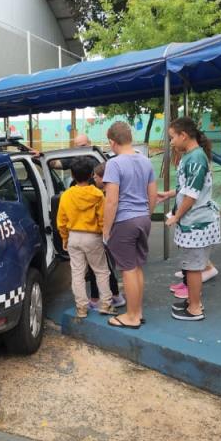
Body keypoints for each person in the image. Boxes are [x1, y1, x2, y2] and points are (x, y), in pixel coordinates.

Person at [157, 117, 221, 322]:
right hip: (193, 222)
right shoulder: (190, 156)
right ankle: (192, 302)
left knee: (194, 268)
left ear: (183, 135)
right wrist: (169, 194)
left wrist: (176, 216)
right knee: (191, 265)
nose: (171, 142)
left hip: (196, 223)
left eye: (172, 137)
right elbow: (187, 187)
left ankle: (195, 308)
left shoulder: (195, 159)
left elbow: (192, 195)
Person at [102, 121, 156, 329]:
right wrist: (146, 215)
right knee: (136, 266)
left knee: (127, 269)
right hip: (143, 218)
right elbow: (152, 194)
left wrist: (106, 230)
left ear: (112, 142)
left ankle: (131, 316)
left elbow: (111, 201)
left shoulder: (114, 164)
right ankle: (137, 311)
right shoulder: (146, 161)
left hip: (124, 221)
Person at [57, 159, 115, 319]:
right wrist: (106, 235)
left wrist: (64, 238)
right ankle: (106, 304)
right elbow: (103, 218)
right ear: (91, 174)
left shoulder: (66, 195)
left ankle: (81, 308)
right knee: (101, 271)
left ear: (72, 175)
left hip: (73, 237)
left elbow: (61, 221)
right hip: (93, 237)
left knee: (77, 273)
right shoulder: (97, 194)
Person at [86, 162, 125, 309]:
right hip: (114, 235)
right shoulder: (111, 192)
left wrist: (105, 233)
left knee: (99, 268)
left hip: (107, 235)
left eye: (96, 177)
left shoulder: (105, 195)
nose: (94, 180)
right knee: (106, 266)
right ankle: (114, 296)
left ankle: (100, 299)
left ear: (104, 177)